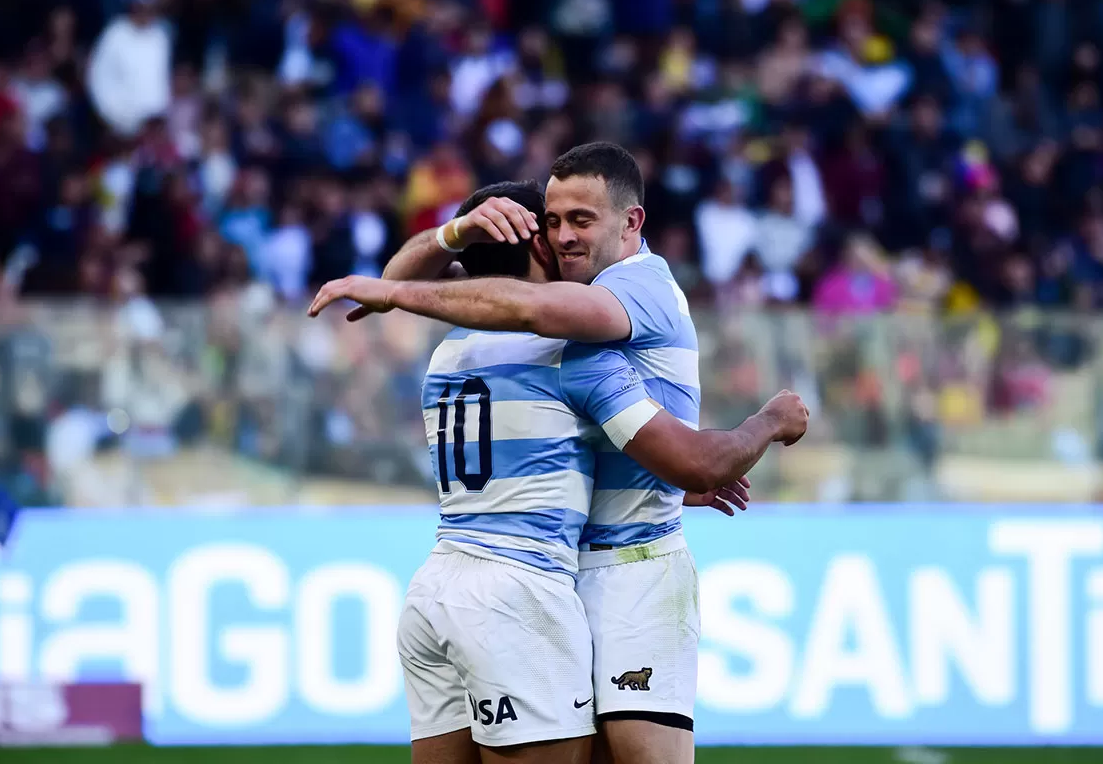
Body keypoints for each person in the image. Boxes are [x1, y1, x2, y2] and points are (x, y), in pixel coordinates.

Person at [311, 143, 787, 763]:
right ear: (535, 243)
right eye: (555, 225)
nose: (565, 238)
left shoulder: (452, 345)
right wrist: (766, 423)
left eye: (580, 222)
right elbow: (684, 453)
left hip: (437, 583)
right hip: (522, 586)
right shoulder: (569, 352)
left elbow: (414, 294)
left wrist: (441, 245)